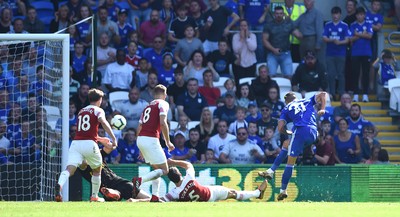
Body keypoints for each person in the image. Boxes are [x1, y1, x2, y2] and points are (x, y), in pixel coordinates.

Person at [258, 91, 327, 200]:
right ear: (296, 97)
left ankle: (282, 191)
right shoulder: (306, 100)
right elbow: (323, 94)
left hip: (301, 131)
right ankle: (270, 171)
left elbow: (280, 128)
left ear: (286, 101)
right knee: (286, 144)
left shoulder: (286, 109)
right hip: (314, 133)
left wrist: (288, 133)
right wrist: (322, 108)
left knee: (290, 162)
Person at [55, 88, 118, 202]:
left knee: (70, 169)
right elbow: (103, 122)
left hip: (76, 143)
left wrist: (98, 138)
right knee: (97, 169)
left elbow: (85, 130)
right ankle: (94, 196)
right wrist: (113, 138)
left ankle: (60, 184)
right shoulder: (98, 110)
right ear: (99, 99)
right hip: (89, 144)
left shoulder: (81, 111)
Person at [132, 84, 175, 202]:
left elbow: (139, 126)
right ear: (165, 95)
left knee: (157, 169)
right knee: (165, 170)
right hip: (151, 139)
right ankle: (139, 180)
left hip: (141, 139)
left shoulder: (147, 106)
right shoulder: (163, 103)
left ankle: (155, 196)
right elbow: (163, 123)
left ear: (153, 94)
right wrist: (168, 142)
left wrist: (140, 148)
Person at [161, 160, 268, 201]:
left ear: (171, 180)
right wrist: (171, 161)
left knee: (232, 194)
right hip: (211, 193)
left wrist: (146, 200)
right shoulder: (188, 178)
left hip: (203, 201)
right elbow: (188, 164)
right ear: (180, 173)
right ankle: (257, 193)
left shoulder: (174, 193)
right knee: (233, 193)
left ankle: (257, 193)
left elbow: (162, 200)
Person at [79, 142, 150, 201]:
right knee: (149, 199)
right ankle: (113, 193)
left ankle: (115, 194)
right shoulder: (81, 165)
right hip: (110, 185)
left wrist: (99, 138)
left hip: (119, 183)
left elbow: (111, 147)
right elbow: (83, 163)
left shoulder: (98, 156)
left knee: (149, 199)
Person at [263, 5, 302, 78]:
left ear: (283, 14)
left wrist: (308, 34)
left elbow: (298, 35)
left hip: (286, 54)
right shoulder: (268, 25)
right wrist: (273, 50)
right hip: (272, 54)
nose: (279, 15)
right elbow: (264, 40)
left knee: (289, 77)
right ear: (274, 14)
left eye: (281, 13)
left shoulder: (288, 24)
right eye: (277, 13)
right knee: (271, 76)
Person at [323, 6, 350, 98]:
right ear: (332, 14)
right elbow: (324, 38)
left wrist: (339, 42)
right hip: (330, 53)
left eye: (337, 14)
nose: (335, 16)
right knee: (330, 74)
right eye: (334, 14)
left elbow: (347, 40)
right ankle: (332, 93)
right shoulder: (327, 25)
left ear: (340, 14)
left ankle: (341, 92)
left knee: (341, 73)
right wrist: (332, 40)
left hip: (341, 53)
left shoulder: (344, 25)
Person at [349, 7, 373, 102]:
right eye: (358, 14)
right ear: (356, 15)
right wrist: (363, 34)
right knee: (355, 73)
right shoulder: (353, 25)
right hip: (355, 53)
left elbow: (370, 36)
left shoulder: (368, 24)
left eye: (362, 14)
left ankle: (365, 95)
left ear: (364, 15)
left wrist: (357, 34)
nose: (360, 16)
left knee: (365, 74)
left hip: (366, 52)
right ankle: (355, 94)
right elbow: (351, 39)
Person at [232, 19, 257, 86]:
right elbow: (236, 50)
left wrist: (247, 38)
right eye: (241, 26)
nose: (243, 28)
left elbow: (253, 48)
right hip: (239, 64)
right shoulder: (235, 36)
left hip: (251, 63)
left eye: (245, 26)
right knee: (240, 83)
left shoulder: (252, 36)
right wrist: (241, 39)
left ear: (248, 26)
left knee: (250, 83)